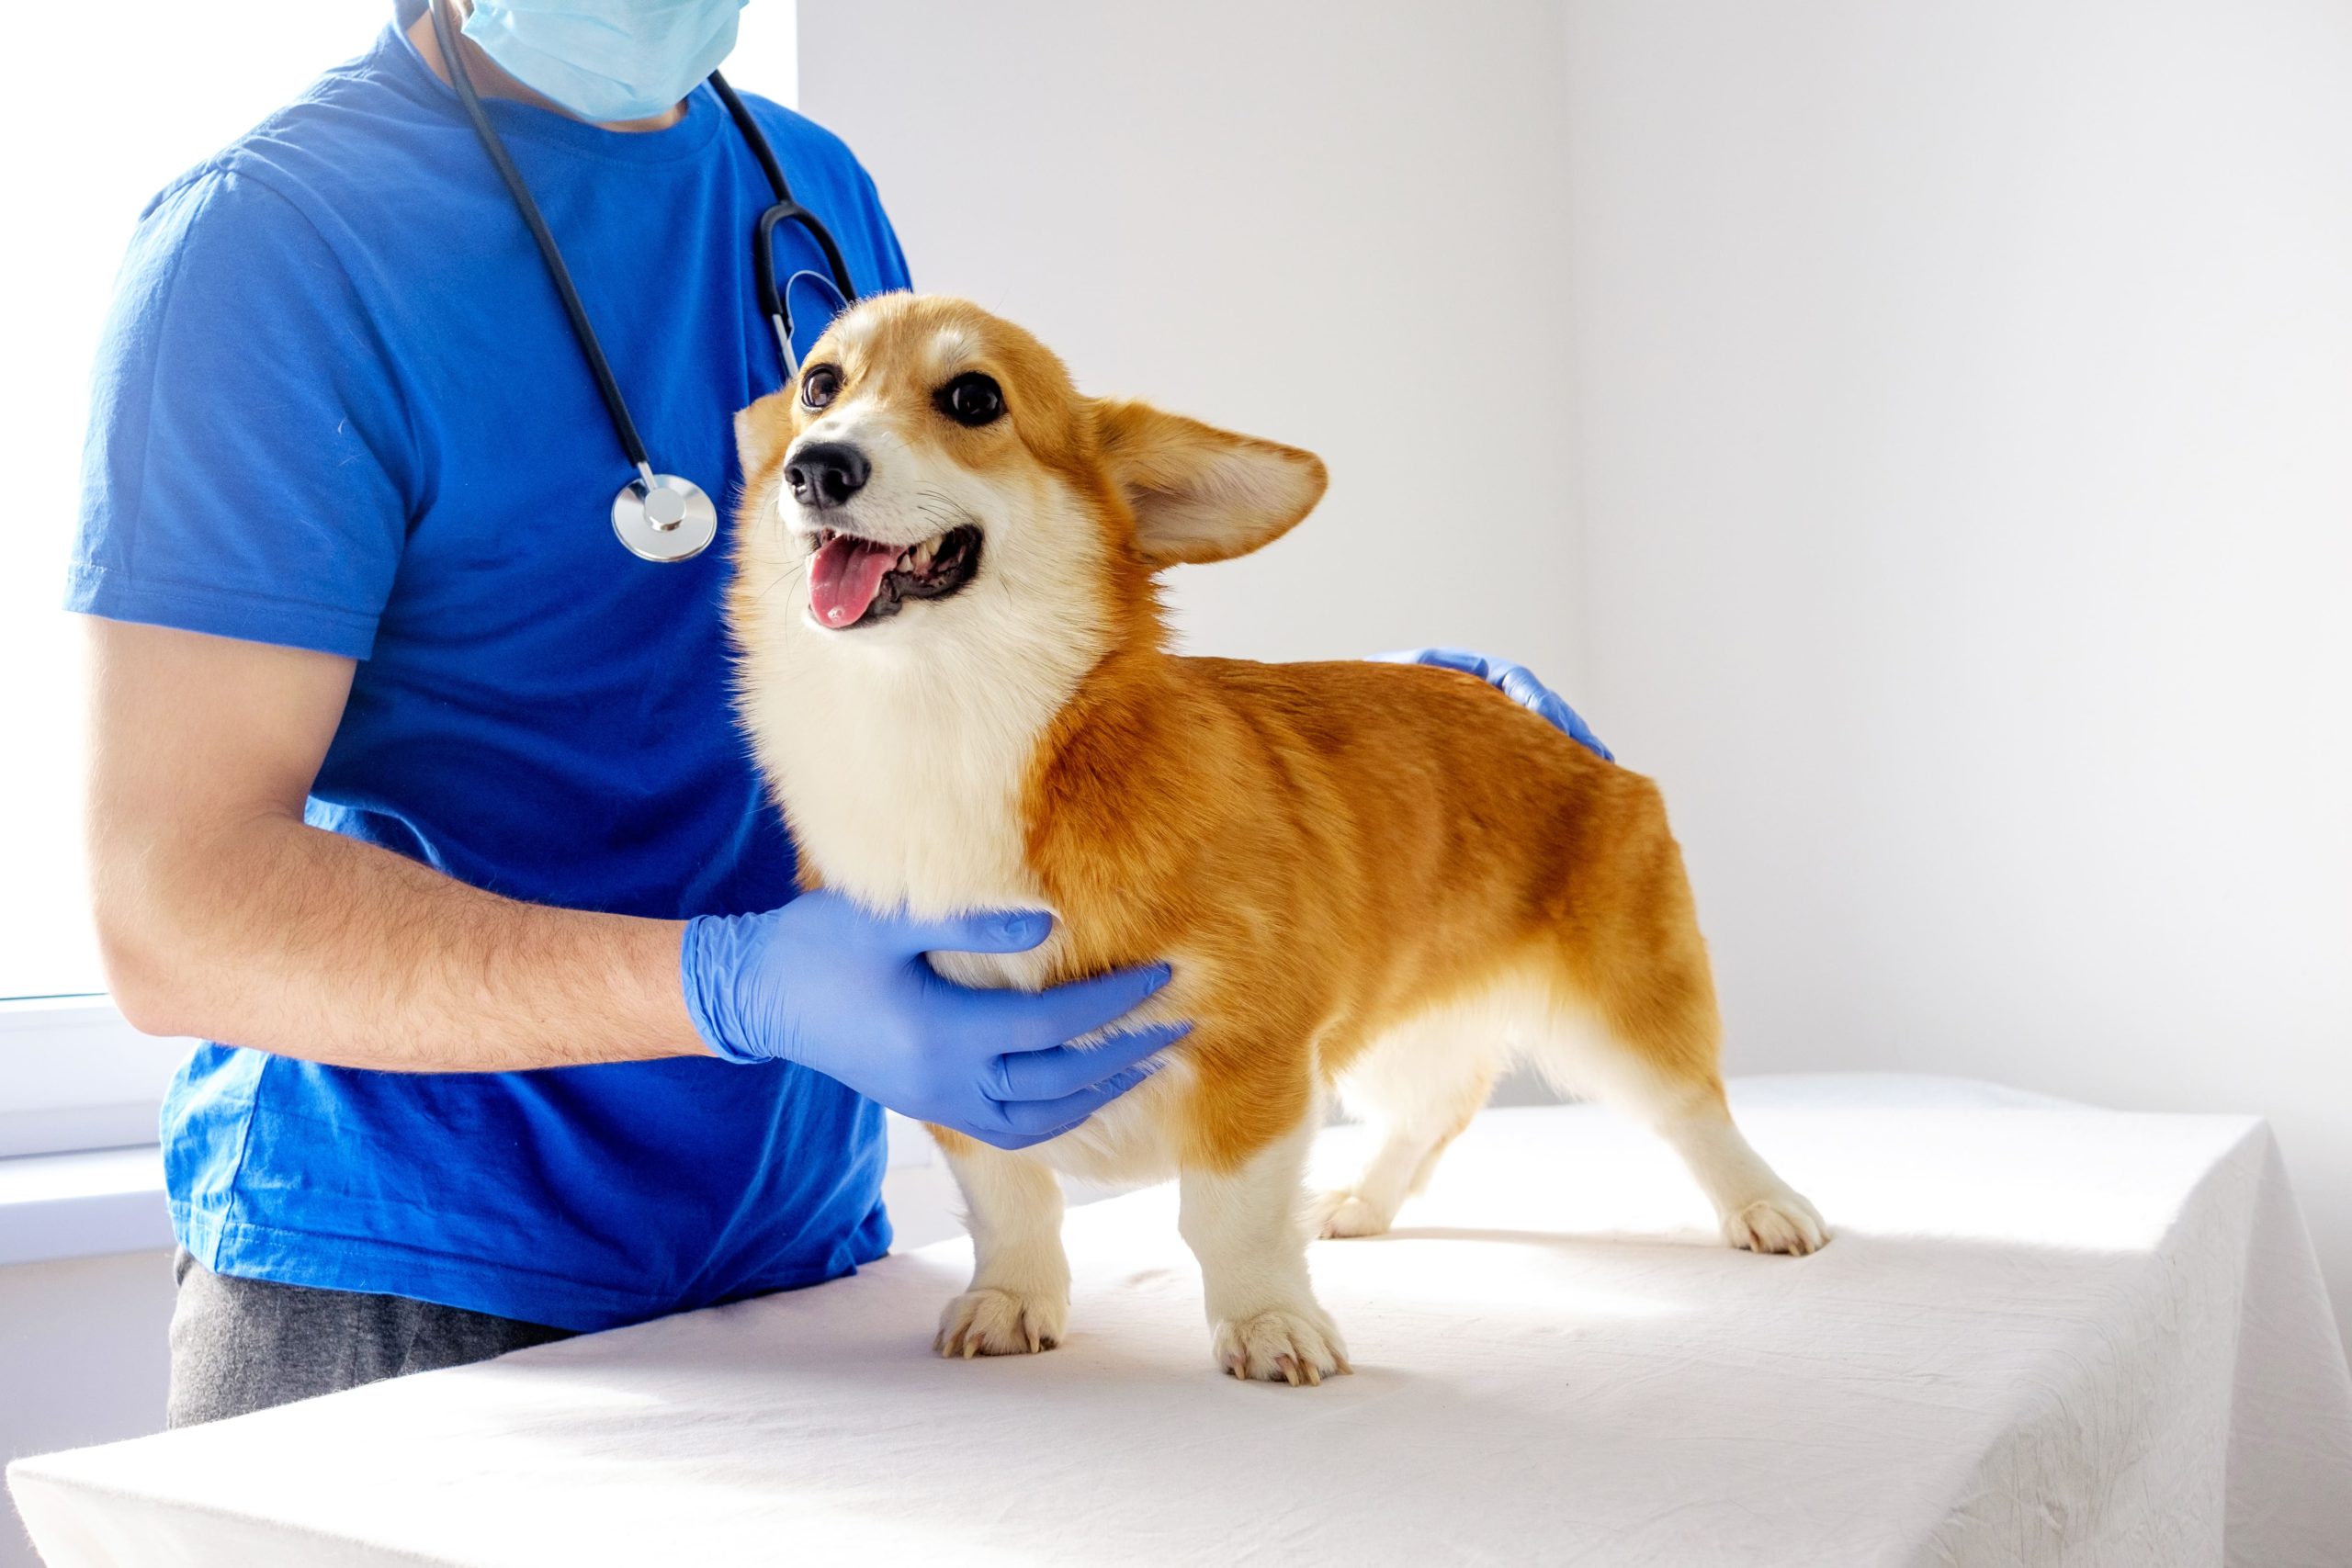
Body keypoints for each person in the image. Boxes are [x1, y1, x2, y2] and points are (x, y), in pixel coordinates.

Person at [73, 0, 1608, 1428]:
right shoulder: (263, 252)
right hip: (409, 1293)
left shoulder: (798, 188)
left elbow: (950, 622)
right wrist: (732, 985)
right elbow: (176, 913)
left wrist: (1386, 741)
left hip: (813, 1259)